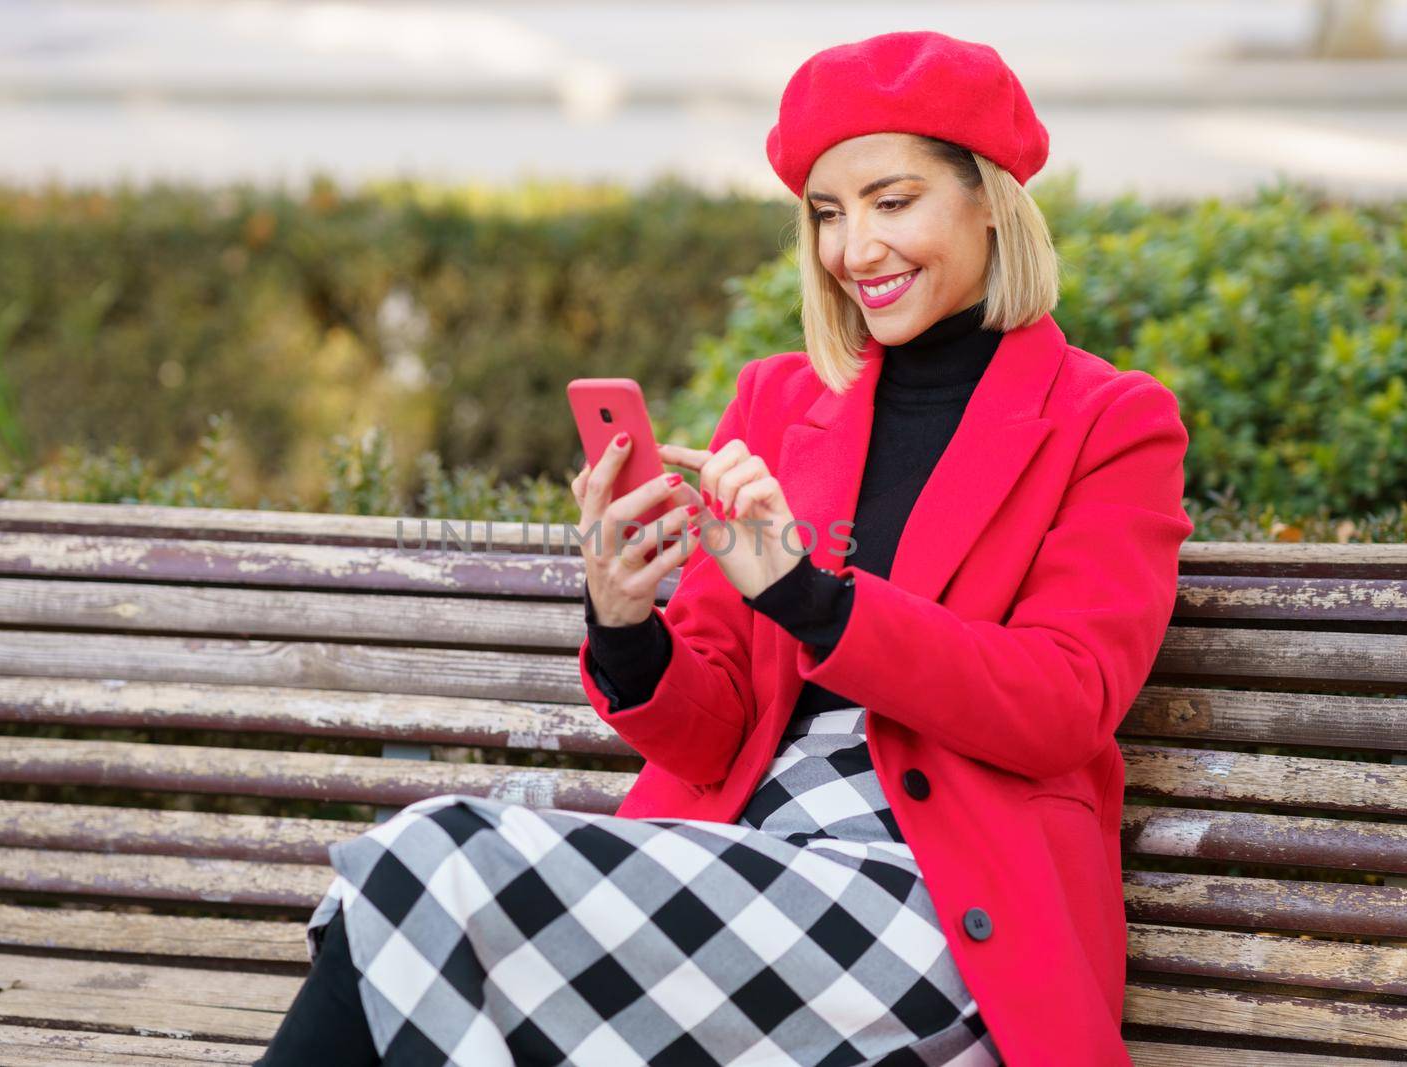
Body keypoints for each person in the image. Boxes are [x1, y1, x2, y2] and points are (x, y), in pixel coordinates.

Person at [257, 29, 1190, 1067]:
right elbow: (712, 737)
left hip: (945, 903)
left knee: (432, 860)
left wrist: (807, 594)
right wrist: (624, 622)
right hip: (739, 862)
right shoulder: (781, 400)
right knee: (423, 889)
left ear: (990, 199)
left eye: (892, 202)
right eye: (828, 216)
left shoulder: (1111, 420)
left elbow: (1061, 701)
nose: (855, 251)